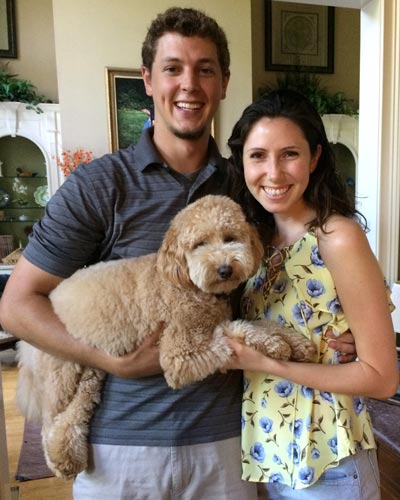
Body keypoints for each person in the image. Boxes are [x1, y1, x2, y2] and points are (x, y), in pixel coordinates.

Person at [0, 9, 355, 500]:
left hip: (229, 443)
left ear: (225, 82)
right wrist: (112, 361)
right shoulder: (100, 186)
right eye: (173, 68)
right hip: (119, 449)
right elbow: (18, 305)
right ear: (147, 79)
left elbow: (295, 269)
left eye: (205, 69)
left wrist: (340, 328)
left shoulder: (249, 184)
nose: (189, 85)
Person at [225, 89, 399, 500]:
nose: (273, 172)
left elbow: (382, 378)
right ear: (241, 162)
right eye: (257, 156)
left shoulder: (337, 237)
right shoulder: (253, 242)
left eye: (289, 154)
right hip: (269, 457)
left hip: (330, 465)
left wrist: (266, 362)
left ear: (315, 158)